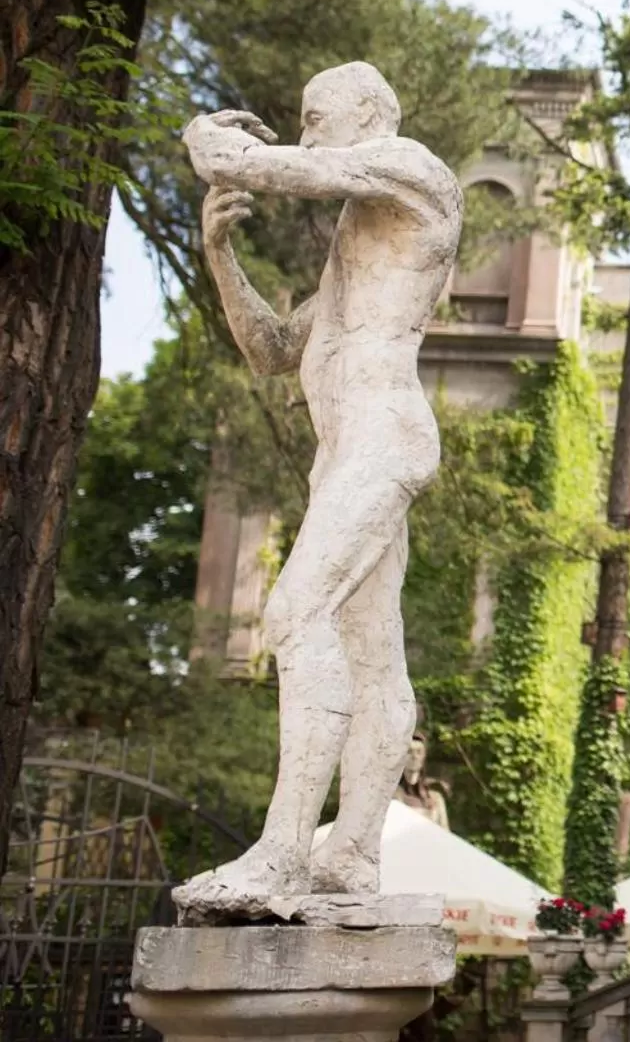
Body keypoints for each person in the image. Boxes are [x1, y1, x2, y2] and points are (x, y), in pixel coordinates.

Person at [174, 62, 463, 910]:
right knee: (373, 656)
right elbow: (270, 349)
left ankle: (284, 852)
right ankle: (352, 858)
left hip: (384, 436)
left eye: (314, 117)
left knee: (295, 613)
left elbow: (286, 170)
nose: (304, 136)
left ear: (368, 113)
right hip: (346, 455)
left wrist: (206, 142)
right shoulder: (355, 251)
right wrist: (218, 252)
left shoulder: (411, 169)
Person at [394, 733, 451, 830]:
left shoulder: (436, 799)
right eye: (409, 752)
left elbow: (445, 834)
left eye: (419, 752)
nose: (414, 756)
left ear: (424, 757)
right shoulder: (392, 796)